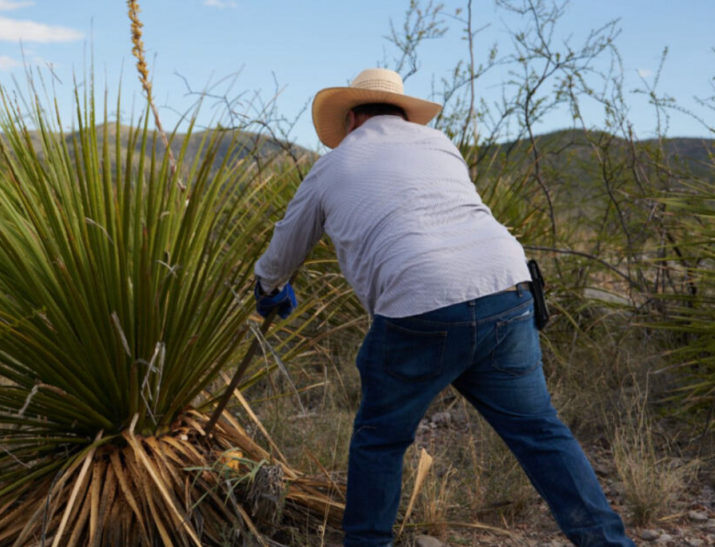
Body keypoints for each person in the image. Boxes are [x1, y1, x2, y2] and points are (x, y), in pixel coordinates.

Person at [253, 68, 636, 547]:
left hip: (420, 306)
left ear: (351, 118)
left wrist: (269, 286)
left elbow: (287, 242)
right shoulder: (438, 144)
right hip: (506, 287)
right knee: (540, 432)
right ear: (402, 113)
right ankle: (609, 542)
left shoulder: (333, 165)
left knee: (381, 440)